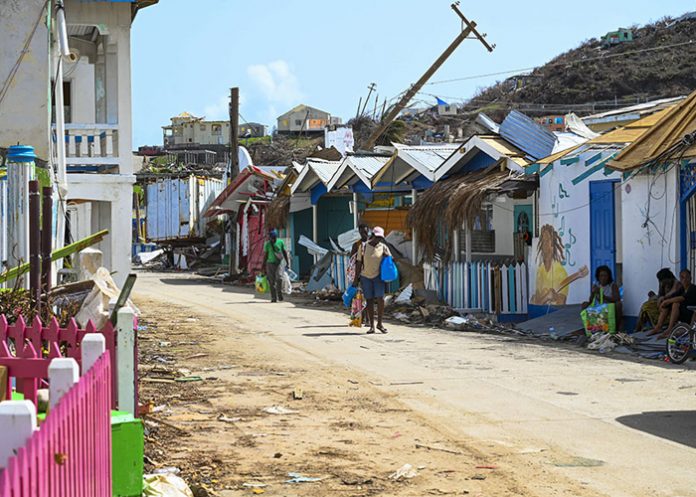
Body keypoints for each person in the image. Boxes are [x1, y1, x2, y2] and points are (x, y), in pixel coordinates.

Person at [354, 226, 390, 334]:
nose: (378, 240)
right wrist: (356, 279)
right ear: (373, 236)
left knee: (380, 299)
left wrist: (387, 257)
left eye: (380, 238)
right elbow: (358, 263)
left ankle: (380, 324)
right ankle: (372, 326)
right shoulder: (363, 246)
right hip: (365, 277)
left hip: (378, 277)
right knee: (369, 300)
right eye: (377, 237)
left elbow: (390, 261)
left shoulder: (383, 247)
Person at [649, 269, 696, 338]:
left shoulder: (692, 288)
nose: (684, 280)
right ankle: (658, 327)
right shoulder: (682, 288)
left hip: (691, 313)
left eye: (687, 277)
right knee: (667, 305)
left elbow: (682, 298)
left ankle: (670, 329)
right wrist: (664, 300)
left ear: (690, 278)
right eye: (682, 277)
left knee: (675, 303)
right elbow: (674, 295)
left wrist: (667, 301)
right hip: (682, 313)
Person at [636, 268, 680, 332]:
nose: (662, 282)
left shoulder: (677, 283)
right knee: (645, 307)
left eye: (664, 281)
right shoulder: (662, 283)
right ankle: (638, 329)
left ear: (668, 278)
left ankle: (658, 326)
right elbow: (660, 295)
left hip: (670, 304)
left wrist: (663, 299)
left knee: (648, 306)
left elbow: (672, 294)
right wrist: (659, 300)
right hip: (663, 303)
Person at [582, 265, 622, 329]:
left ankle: (616, 328)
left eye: (605, 276)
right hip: (598, 307)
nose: (603, 278)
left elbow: (616, 299)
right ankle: (588, 327)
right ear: (598, 277)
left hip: (609, 307)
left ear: (608, 277)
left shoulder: (612, 285)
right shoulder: (596, 285)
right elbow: (590, 301)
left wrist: (603, 296)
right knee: (584, 304)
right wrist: (593, 293)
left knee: (618, 304)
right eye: (601, 276)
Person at [350, 224, 371, 327]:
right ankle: (362, 318)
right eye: (362, 231)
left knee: (368, 298)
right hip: (360, 275)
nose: (364, 233)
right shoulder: (356, 245)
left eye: (365, 231)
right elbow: (353, 262)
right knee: (361, 298)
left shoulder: (372, 244)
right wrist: (355, 278)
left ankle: (367, 319)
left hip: (371, 274)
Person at [263, 229, 289, 303]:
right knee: (271, 281)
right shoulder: (267, 244)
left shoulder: (280, 242)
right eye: (271, 238)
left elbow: (284, 252)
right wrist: (263, 265)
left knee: (279, 278)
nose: (272, 239)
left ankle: (279, 293)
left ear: (276, 237)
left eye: (274, 238)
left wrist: (287, 262)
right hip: (270, 263)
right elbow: (265, 255)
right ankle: (273, 297)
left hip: (279, 263)